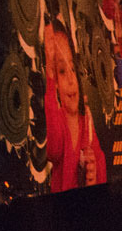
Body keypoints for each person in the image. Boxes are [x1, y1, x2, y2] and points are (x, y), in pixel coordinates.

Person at [43, 19, 105, 192]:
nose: (71, 80)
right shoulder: (59, 120)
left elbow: (100, 164)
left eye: (72, 69)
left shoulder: (86, 122)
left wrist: (93, 175)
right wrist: (50, 75)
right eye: (62, 71)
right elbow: (53, 150)